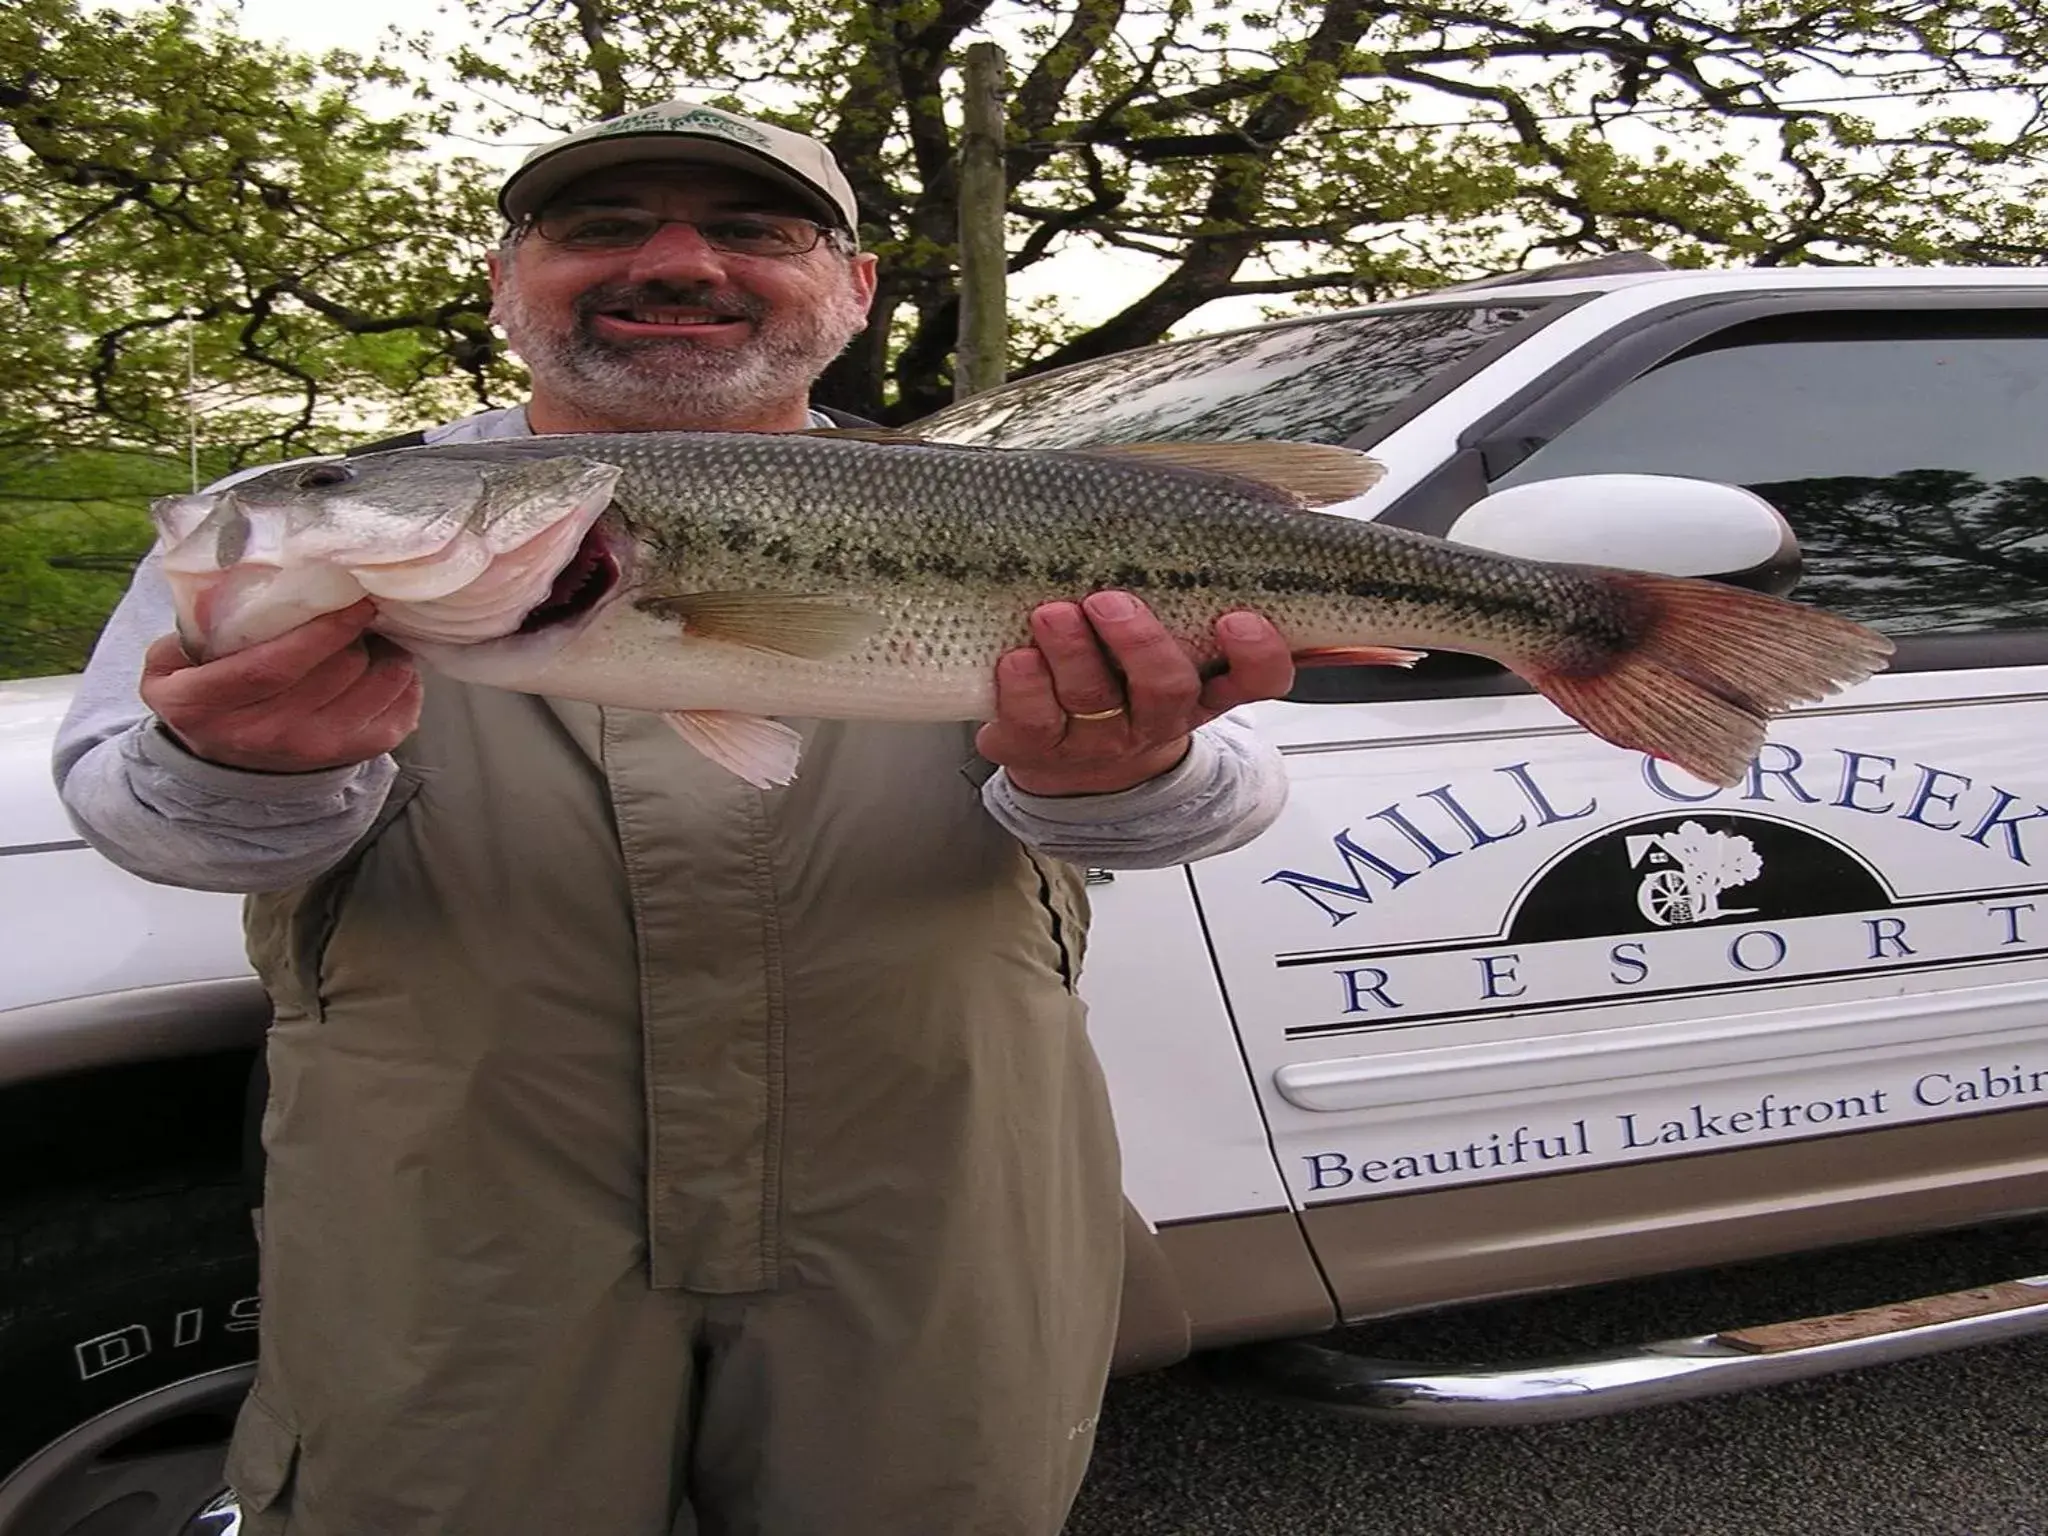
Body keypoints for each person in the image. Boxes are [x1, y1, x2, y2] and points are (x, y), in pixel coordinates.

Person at [54, 99, 1300, 1536]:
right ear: (504, 280)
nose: (674, 262)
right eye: (596, 231)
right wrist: (251, 772)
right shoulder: (300, 531)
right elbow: (152, 827)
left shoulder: (1001, 509)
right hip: (458, 1226)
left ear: (854, 290)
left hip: (929, 1209)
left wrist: (1117, 775)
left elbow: (1229, 800)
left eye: (753, 231)